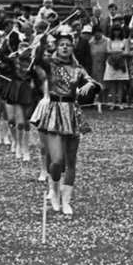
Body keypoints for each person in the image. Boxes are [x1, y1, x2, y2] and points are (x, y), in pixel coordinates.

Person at [28, 29, 97, 217]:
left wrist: (89, 84)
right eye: (61, 44)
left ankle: (66, 201)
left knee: (71, 160)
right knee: (57, 161)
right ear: (56, 47)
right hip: (54, 112)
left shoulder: (77, 68)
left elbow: (92, 81)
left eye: (68, 44)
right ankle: (54, 191)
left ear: (72, 47)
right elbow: (36, 60)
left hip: (72, 113)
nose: (65, 47)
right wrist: (42, 37)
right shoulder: (50, 64)